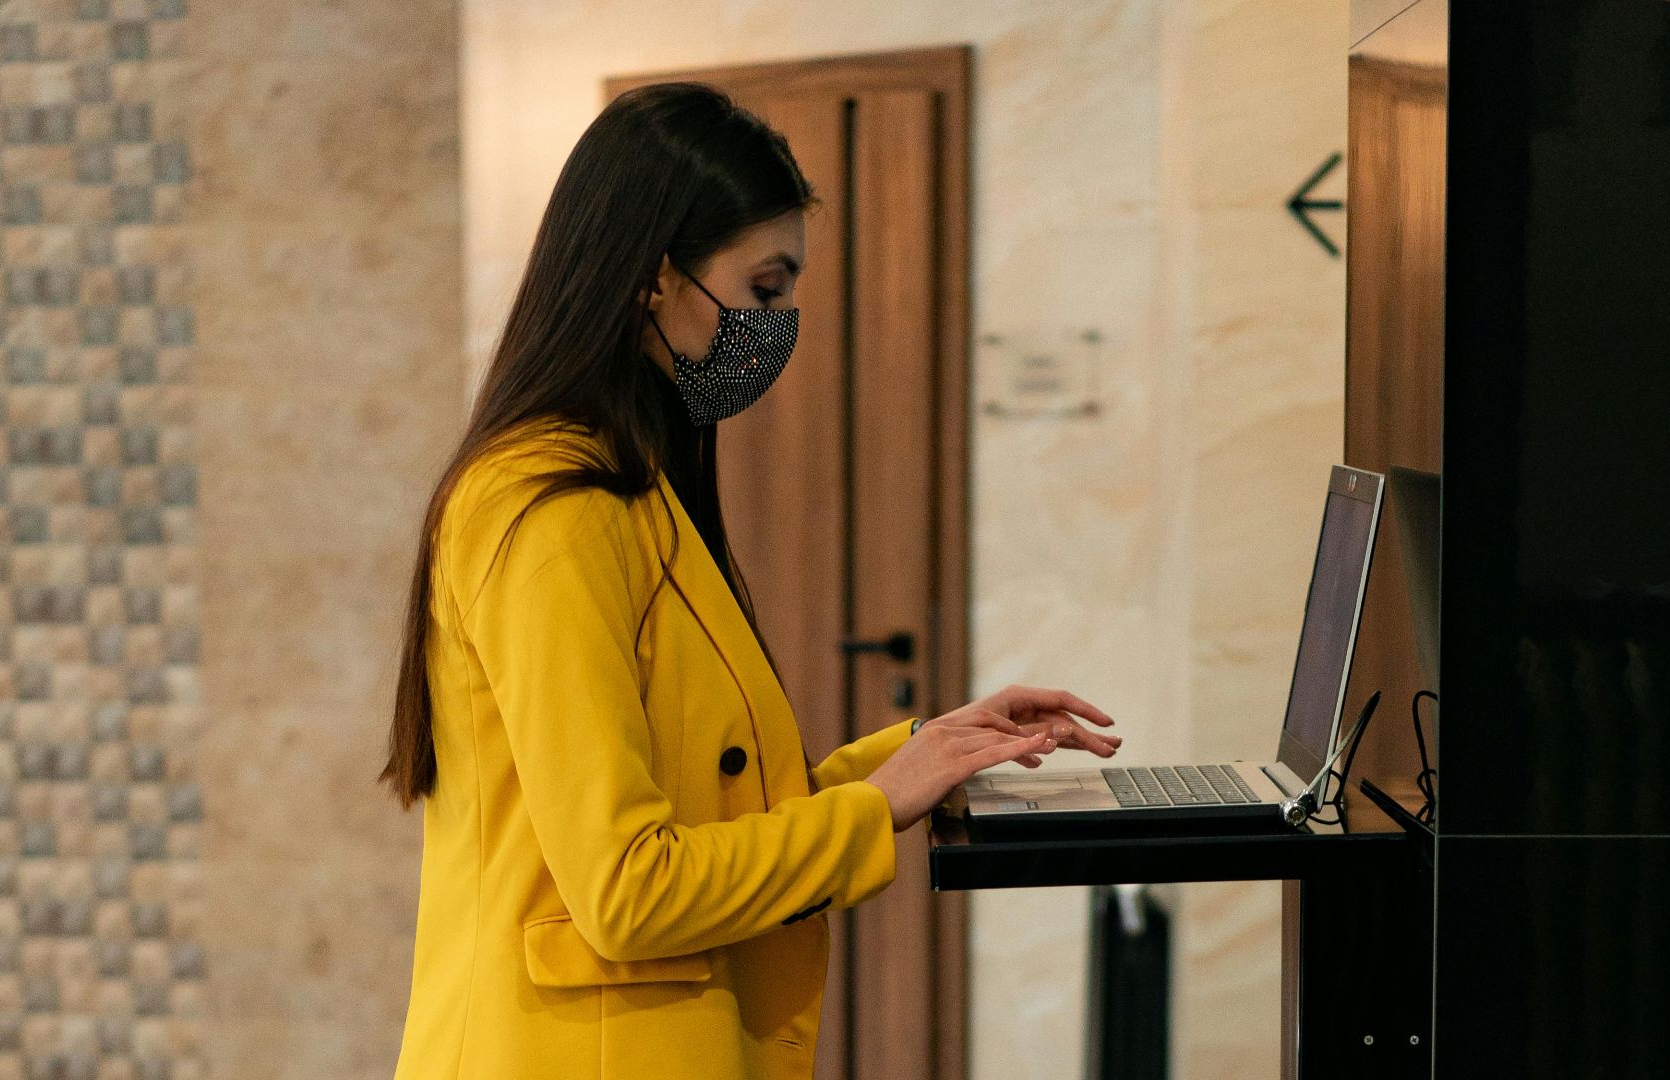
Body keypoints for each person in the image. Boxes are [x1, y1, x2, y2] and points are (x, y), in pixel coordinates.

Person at [379, 82, 1122, 1080]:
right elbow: (629, 889)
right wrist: (874, 809)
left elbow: (708, 810)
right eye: (763, 291)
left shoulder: (629, 489)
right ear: (654, 276)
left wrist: (921, 755)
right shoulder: (551, 510)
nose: (776, 327)